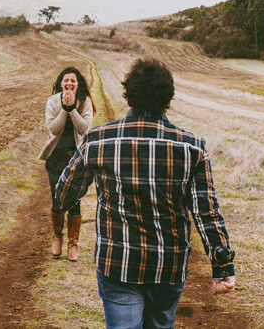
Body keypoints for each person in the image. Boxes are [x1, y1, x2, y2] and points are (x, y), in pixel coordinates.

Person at [55, 58, 236, 329]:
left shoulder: (98, 140)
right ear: (168, 98)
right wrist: (222, 266)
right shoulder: (193, 148)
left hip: (117, 264)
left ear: (128, 94)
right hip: (169, 265)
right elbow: (206, 212)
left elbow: (64, 196)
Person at [38, 66, 93, 261]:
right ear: (61, 83)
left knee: (74, 199)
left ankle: (72, 244)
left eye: (73, 81)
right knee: (57, 198)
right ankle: (57, 238)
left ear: (78, 84)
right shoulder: (52, 102)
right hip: (56, 157)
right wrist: (64, 109)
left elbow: (85, 129)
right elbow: (53, 128)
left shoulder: (85, 102)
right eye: (66, 80)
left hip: (76, 157)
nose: (69, 84)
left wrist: (72, 110)